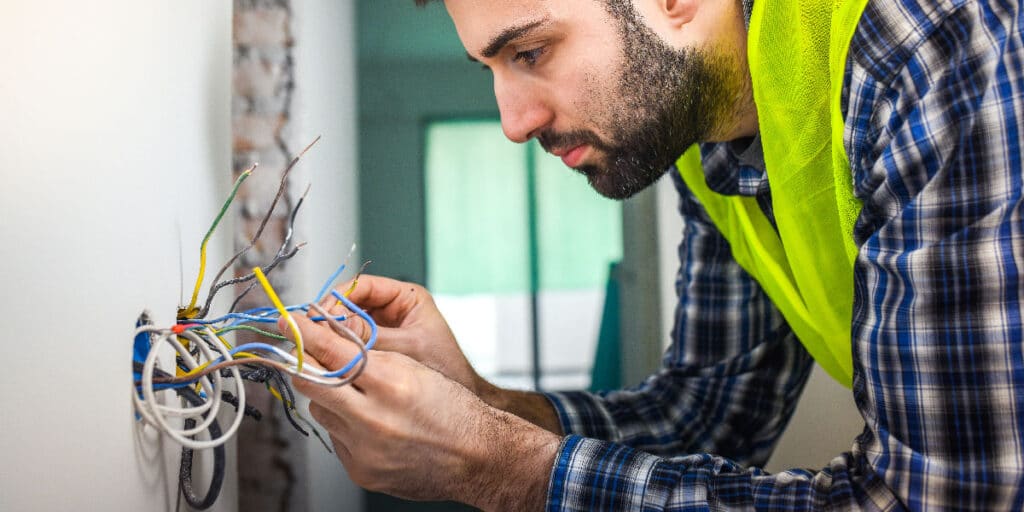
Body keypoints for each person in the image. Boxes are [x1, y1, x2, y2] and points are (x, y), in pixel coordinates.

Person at [285, 0, 1024, 509]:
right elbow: (706, 414)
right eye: (493, 69)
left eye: (531, 51)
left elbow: (945, 497)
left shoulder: (929, 38)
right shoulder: (708, 137)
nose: (513, 122)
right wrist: (482, 404)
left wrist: (493, 464)